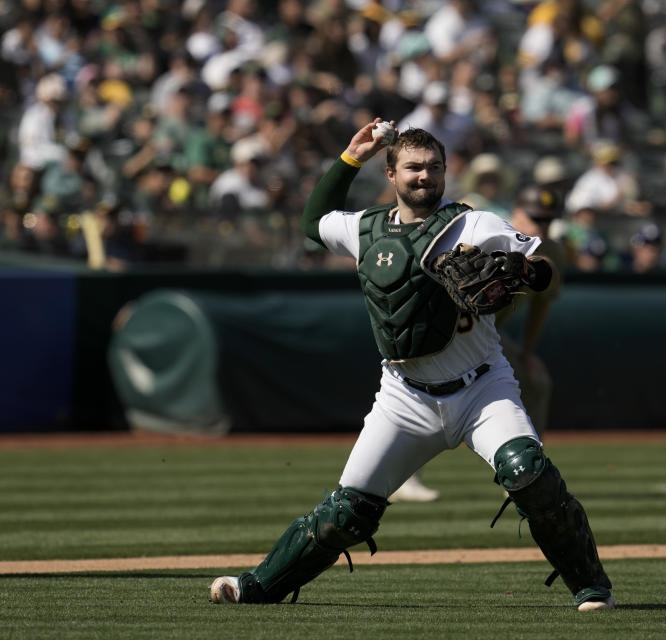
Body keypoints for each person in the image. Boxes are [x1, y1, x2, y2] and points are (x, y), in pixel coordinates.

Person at [209, 121, 614, 611]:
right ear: (392, 172)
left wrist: (524, 271)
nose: (426, 176)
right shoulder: (367, 228)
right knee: (347, 512)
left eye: (435, 167)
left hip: (481, 389)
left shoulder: (473, 225)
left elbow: (543, 268)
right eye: (415, 167)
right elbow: (312, 222)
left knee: (526, 471)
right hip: (404, 396)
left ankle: (591, 585)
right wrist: (348, 158)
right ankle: (259, 586)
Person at [495, 184, 567, 433]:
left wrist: (527, 352)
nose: (543, 226)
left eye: (548, 220)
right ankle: (408, 468)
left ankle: (533, 463)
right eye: (536, 218)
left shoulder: (552, 251)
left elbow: (541, 304)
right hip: (456, 329)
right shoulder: (493, 236)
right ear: (517, 211)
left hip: (492, 332)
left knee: (536, 382)